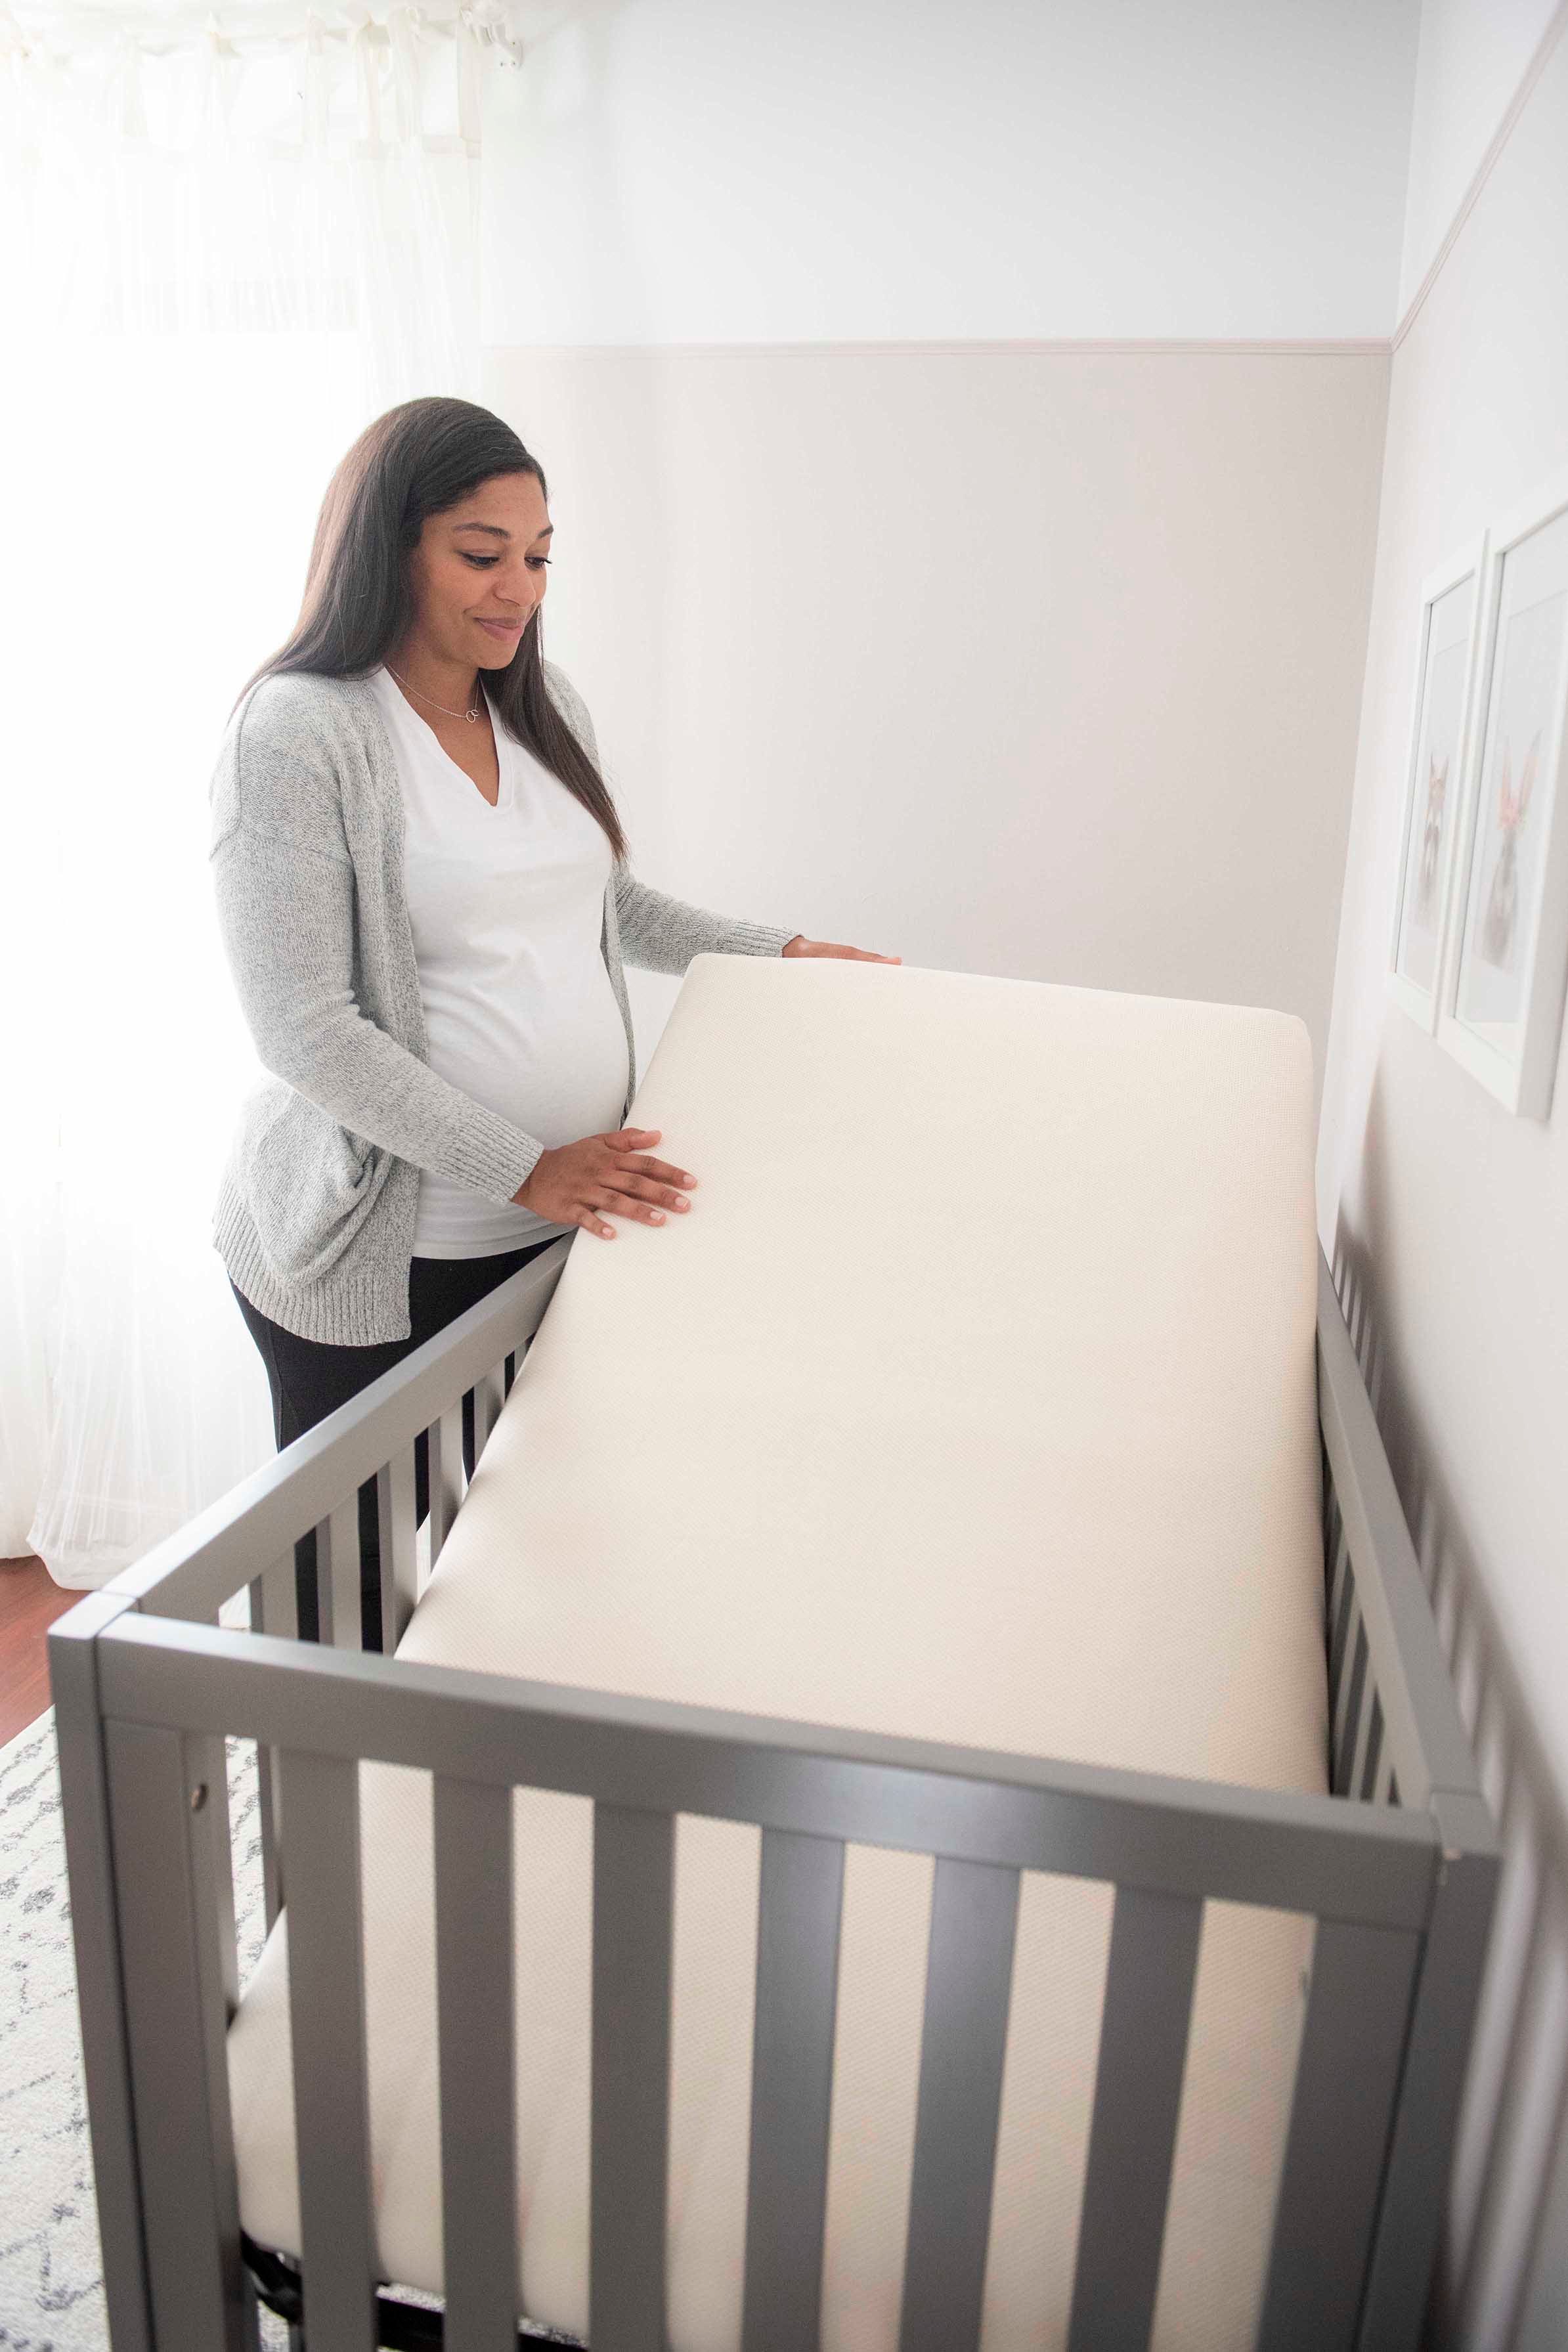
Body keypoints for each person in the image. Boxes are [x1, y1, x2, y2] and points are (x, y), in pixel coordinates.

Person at [209, 395, 901, 1646]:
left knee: (521, 1579)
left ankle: (464, 1804)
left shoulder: (539, 704)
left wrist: (783, 955)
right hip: (380, 1255)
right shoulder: (302, 732)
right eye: (481, 553)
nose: (517, 588)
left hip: (549, 1236)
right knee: (344, 1602)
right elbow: (305, 1028)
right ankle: (332, 1834)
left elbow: (605, 901)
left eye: (537, 557)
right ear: (389, 547)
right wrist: (525, 1167)